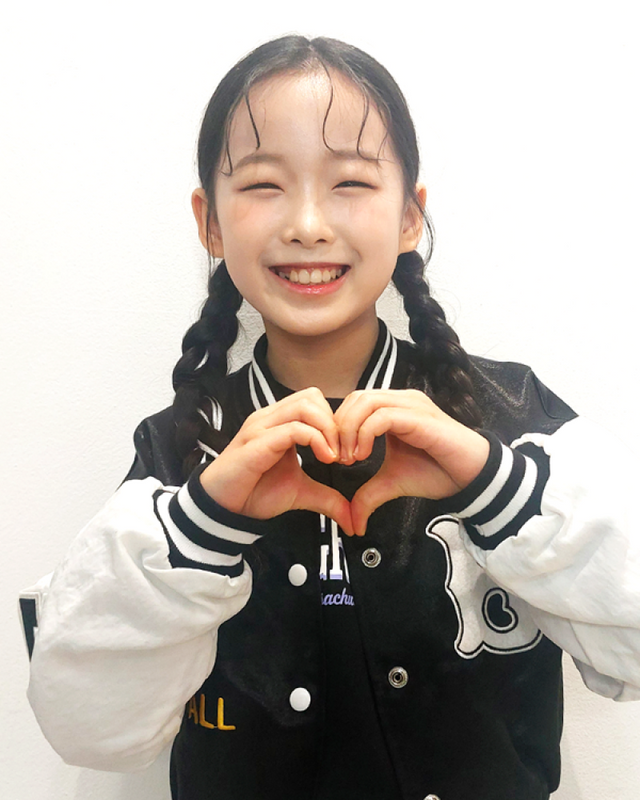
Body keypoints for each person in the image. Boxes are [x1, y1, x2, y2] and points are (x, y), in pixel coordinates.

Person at [21, 34, 640, 800]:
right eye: (263, 185)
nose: (308, 223)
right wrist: (202, 523)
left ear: (409, 216)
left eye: (350, 181)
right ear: (209, 222)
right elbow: (88, 728)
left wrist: (497, 487)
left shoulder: (511, 414)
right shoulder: (179, 445)